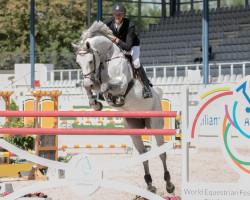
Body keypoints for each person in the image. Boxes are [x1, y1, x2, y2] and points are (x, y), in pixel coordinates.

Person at [103, 3, 152, 98]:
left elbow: (128, 46)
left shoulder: (130, 25)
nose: (117, 16)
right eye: (115, 14)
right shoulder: (109, 22)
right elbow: (98, 27)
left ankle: (146, 87)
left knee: (136, 62)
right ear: (113, 15)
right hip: (118, 46)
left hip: (132, 45)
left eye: (119, 14)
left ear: (123, 15)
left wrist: (115, 39)